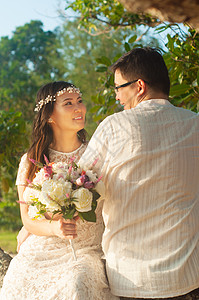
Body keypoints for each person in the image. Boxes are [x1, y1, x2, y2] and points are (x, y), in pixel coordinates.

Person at [78, 47, 199, 300]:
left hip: (132, 277)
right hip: (188, 275)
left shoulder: (114, 126)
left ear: (139, 86)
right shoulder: (195, 124)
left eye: (119, 88)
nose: (117, 97)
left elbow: (80, 186)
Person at [0, 81, 118, 300]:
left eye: (80, 101)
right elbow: (27, 219)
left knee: (76, 288)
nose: (79, 108)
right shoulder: (31, 161)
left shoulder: (96, 155)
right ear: (49, 116)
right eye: (68, 103)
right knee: (17, 284)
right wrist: (54, 227)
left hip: (85, 249)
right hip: (42, 247)